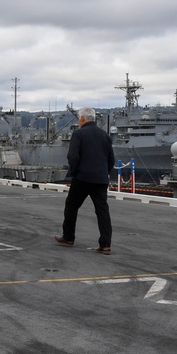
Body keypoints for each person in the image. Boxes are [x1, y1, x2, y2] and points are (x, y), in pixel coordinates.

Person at [54, 107, 115, 254]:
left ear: (82, 119)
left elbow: (73, 157)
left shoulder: (78, 134)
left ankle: (68, 237)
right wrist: (104, 173)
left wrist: (74, 173)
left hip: (82, 178)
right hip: (100, 180)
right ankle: (105, 244)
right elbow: (111, 159)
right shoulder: (105, 135)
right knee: (102, 211)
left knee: (71, 206)